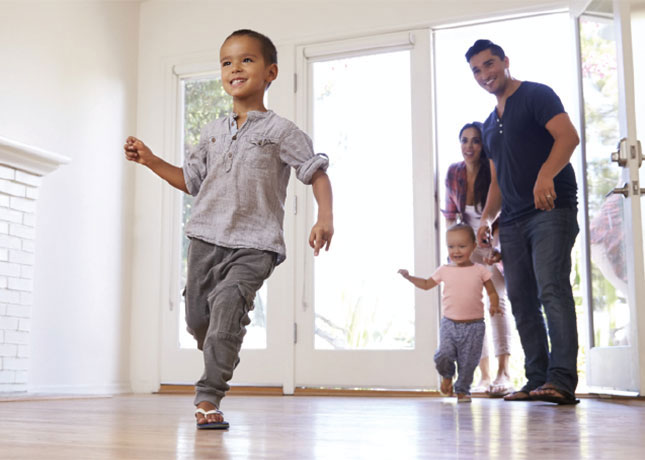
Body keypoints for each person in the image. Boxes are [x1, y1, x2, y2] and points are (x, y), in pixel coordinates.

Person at [124, 29, 334, 428]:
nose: (235, 67)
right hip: (205, 239)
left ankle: (208, 398)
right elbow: (191, 181)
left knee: (225, 313)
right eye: (226, 62)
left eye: (246, 60)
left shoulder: (280, 131)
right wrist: (150, 160)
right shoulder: (212, 131)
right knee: (198, 321)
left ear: (270, 72)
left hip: (255, 244)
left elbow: (316, 172)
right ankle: (224, 342)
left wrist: (324, 217)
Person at [465, 39, 580, 404]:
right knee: (521, 298)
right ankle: (536, 379)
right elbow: (498, 181)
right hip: (512, 220)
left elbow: (569, 137)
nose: (485, 74)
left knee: (552, 289)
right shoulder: (487, 125)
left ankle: (561, 380)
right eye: (477, 70)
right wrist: (486, 218)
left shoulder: (536, 95)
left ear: (505, 61)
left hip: (550, 210)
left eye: (489, 64)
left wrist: (546, 175)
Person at [443, 121, 514, 397]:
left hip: (497, 242)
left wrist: (492, 250)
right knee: (470, 309)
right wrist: (452, 255)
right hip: (469, 245)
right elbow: (451, 217)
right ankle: (483, 375)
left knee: (497, 300)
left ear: (483, 145)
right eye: (464, 140)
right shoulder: (454, 173)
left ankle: (504, 372)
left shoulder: (493, 173)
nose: (469, 146)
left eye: (475, 141)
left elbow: (503, 214)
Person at [398, 223, 500, 403]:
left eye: (462, 246)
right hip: (450, 324)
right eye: (451, 246)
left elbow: (492, 291)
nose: (456, 251)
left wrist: (494, 304)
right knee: (444, 354)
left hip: (474, 326)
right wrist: (409, 277)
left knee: (469, 362)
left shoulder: (480, 270)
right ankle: (447, 375)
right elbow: (427, 284)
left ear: (473, 246)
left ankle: (462, 389)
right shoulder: (444, 270)